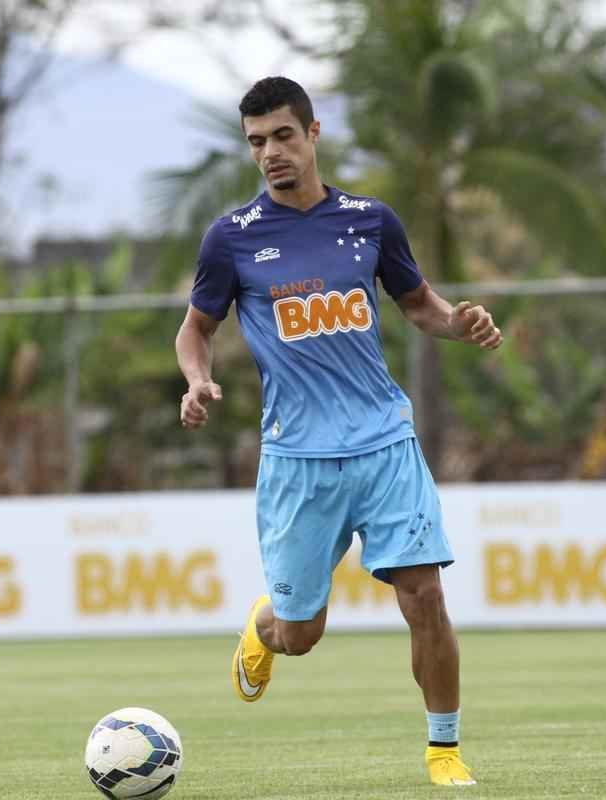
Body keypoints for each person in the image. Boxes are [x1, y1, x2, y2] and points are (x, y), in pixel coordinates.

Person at [174, 77, 503, 787]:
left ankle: (443, 751)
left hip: (385, 443)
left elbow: (419, 305)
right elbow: (195, 329)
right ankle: (267, 625)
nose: (271, 153)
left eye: (283, 136)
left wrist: (459, 322)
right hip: (299, 459)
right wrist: (196, 380)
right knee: (302, 636)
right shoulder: (232, 238)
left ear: (314, 133)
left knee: (425, 595)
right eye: (257, 142)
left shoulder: (370, 221)